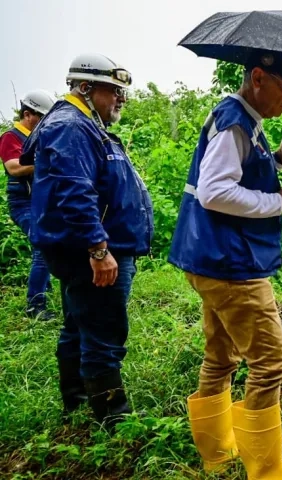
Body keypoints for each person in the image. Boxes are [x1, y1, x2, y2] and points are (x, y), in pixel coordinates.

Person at [167, 51, 282, 479]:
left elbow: (238, 175)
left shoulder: (244, 121)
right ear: (258, 77)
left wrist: (279, 162)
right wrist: (281, 200)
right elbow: (215, 191)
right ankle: (268, 472)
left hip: (210, 257)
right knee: (271, 362)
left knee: (221, 355)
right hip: (231, 262)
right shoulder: (236, 121)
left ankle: (217, 454)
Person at [20, 53, 154, 429]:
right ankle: (113, 419)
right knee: (103, 329)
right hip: (91, 252)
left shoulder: (83, 124)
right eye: (114, 91)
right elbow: (75, 192)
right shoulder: (71, 126)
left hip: (92, 249)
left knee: (80, 324)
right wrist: (99, 248)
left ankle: (78, 403)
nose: (121, 99)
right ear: (85, 87)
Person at [0, 89, 58, 320]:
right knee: (43, 246)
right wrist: (46, 162)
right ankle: (35, 306)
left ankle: (46, 292)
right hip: (23, 203)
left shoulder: (40, 136)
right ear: (27, 114)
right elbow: (13, 167)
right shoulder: (11, 137)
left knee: (50, 245)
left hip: (41, 201)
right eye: (41, 117)